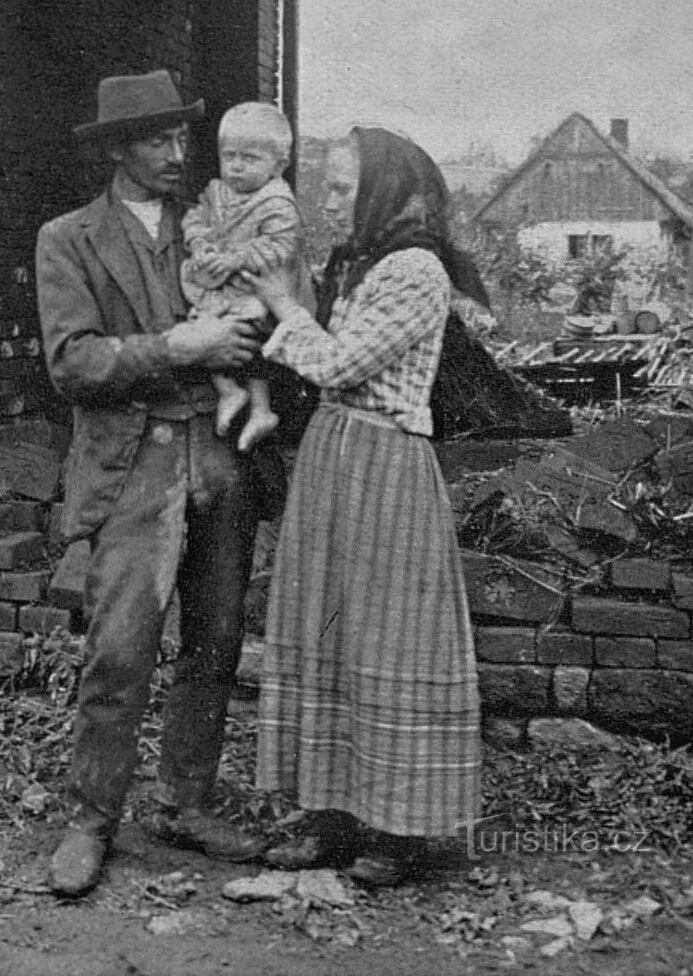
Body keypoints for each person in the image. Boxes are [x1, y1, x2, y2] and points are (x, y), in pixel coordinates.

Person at [35, 70, 266, 898]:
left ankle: (184, 803)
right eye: (159, 140)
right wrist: (179, 346)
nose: (179, 154)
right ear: (116, 149)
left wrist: (251, 336)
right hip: (134, 465)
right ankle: (92, 818)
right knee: (122, 646)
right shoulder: (68, 238)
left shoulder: (214, 225)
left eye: (182, 137)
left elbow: (274, 303)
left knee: (216, 639)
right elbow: (73, 362)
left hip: (219, 451)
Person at [242, 127, 489, 887]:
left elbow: (341, 364)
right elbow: (326, 370)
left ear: (383, 190)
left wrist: (284, 306)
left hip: (385, 463)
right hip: (334, 457)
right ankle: (331, 816)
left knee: (388, 639)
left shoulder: (415, 270)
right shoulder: (361, 265)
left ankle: (399, 829)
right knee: (330, 628)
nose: (329, 198)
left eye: (344, 186)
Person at [180, 101, 314, 453]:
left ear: (278, 165)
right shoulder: (217, 193)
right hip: (223, 287)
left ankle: (260, 408)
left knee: (251, 335)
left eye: (249, 158)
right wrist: (200, 244)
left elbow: (281, 246)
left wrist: (238, 258)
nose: (236, 167)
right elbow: (195, 218)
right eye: (229, 156)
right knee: (203, 326)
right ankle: (229, 391)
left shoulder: (277, 203)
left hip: (261, 287)